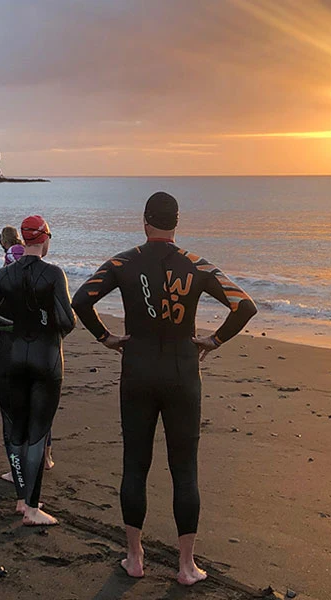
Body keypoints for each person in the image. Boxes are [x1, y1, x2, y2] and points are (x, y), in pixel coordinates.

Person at [71, 191, 257, 585]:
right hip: (182, 374)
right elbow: (244, 306)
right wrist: (213, 341)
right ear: (177, 223)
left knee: (135, 466)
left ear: (145, 221)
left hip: (137, 370)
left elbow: (81, 299)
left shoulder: (123, 262)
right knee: (184, 470)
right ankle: (186, 566)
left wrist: (106, 337)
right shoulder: (197, 265)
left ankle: (134, 558)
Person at [0, 216, 74, 526]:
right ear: (44, 240)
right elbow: (67, 321)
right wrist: (43, 324)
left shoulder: (5, 274)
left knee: (14, 429)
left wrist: (14, 326)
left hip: (10, 358)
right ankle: (32, 507)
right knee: (37, 433)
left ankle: (22, 498)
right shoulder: (54, 274)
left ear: (23, 240)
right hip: (46, 359)